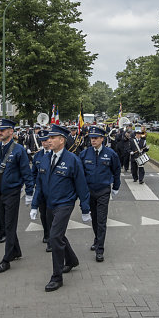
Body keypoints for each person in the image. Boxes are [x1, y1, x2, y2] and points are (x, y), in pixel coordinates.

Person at [30, 124, 90, 292]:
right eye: (48, 138)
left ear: (61, 140)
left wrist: (85, 209)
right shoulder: (44, 158)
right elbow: (40, 186)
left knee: (54, 237)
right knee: (58, 235)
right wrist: (35, 205)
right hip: (49, 204)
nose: (48, 141)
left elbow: (82, 186)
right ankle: (71, 260)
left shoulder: (73, 160)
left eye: (52, 138)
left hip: (65, 203)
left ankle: (57, 277)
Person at [0, 118, 34, 273]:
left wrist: (29, 193)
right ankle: (16, 250)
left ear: (11, 132)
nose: (0, 132)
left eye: (3, 130)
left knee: (9, 226)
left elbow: (26, 173)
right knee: (5, 222)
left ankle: (7, 259)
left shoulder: (18, 150)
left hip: (12, 192)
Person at [79, 126, 121, 263]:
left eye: (96, 138)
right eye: (91, 138)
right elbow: (80, 174)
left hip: (103, 190)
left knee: (102, 220)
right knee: (95, 218)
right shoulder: (85, 154)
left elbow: (116, 170)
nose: (93, 140)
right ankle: (97, 239)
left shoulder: (110, 154)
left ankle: (100, 249)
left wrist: (116, 187)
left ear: (102, 139)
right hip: (90, 191)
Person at [31, 129, 53, 252]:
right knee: (43, 214)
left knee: (52, 215)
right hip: (41, 191)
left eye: (47, 140)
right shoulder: (38, 156)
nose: (45, 143)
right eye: (42, 141)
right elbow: (33, 173)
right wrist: (35, 185)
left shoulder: (56, 154)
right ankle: (46, 233)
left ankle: (51, 238)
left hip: (54, 191)